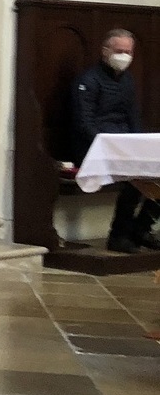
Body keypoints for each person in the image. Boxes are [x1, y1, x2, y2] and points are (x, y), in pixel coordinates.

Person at [72, 29, 158, 253]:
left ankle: (141, 228)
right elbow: (84, 123)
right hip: (94, 149)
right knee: (134, 181)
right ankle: (118, 236)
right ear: (105, 51)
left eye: (128, 52)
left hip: (123, 148)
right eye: (119, 50)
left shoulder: (127, 80)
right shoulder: (88, 80)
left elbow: (133, 117)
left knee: (153, 175)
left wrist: (138, 146)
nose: (124, 56)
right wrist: (109, 146)